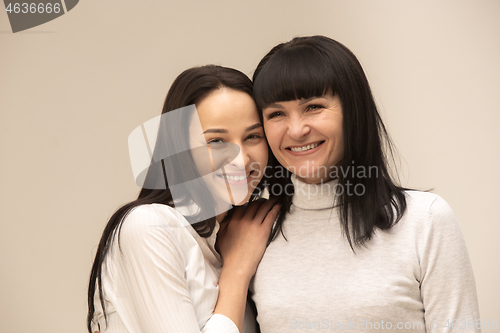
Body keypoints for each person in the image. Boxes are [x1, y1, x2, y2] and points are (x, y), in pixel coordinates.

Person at [248, 36, 481, 332]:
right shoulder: (254, 232)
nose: (296, 129)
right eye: (276, 114)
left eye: (314, 107)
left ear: (354, 112)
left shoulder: (427, 221)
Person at [87, 65, 279, 333]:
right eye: (216, 141)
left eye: (253, 136)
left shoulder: (239, 235)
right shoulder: (149, 226)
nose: (241, 159)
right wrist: (236, 271)